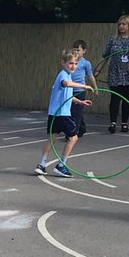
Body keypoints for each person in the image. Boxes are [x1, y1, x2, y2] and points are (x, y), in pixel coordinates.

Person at [34, 49, 93, 177]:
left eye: (76, 64)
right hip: (62, 114)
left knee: (52, 138)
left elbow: (68, 96)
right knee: (73, 138)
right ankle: (61, 165)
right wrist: (84, 86)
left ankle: (41, 164)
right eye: (70, 63)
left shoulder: (68, 75)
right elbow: (66, 84)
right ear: (63, 62)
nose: (73, 66)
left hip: (54, 113)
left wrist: (80, 101)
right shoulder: (63, 75)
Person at [96, 14, 129, 133]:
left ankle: (124, 123)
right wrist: (98, 70)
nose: (121, 26)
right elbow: (105, 56)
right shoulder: (113, 40)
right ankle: (113, 122)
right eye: (119, 24)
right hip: (115, 73)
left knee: (127, 99)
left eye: (124, 24)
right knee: (115, 98)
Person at [69, 38, 97, 141]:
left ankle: (73, 133)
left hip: (80, 90)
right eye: (74, 49)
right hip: (70, 89)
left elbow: (90, 76)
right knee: (72, 111)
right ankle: (81, 128)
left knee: (76, 112)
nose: (76, 52)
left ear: (84, 51)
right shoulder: (71, 62)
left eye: (78, 50)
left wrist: (95, 88)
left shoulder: (86, 63)